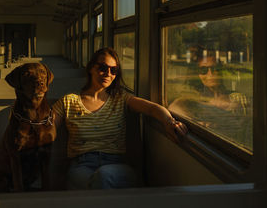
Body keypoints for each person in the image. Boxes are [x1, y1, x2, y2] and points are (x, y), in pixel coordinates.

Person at [52, 47, 188, 190]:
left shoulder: (120, 98)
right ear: (91, 68)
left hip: (116, 165)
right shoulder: (68, 102)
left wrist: (169, 122)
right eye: (103, 68)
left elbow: (151, 108)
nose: (108, 74)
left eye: (113, 70)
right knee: (96, 181)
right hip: (81, 165)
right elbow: (49, 126)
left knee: (104, 176)